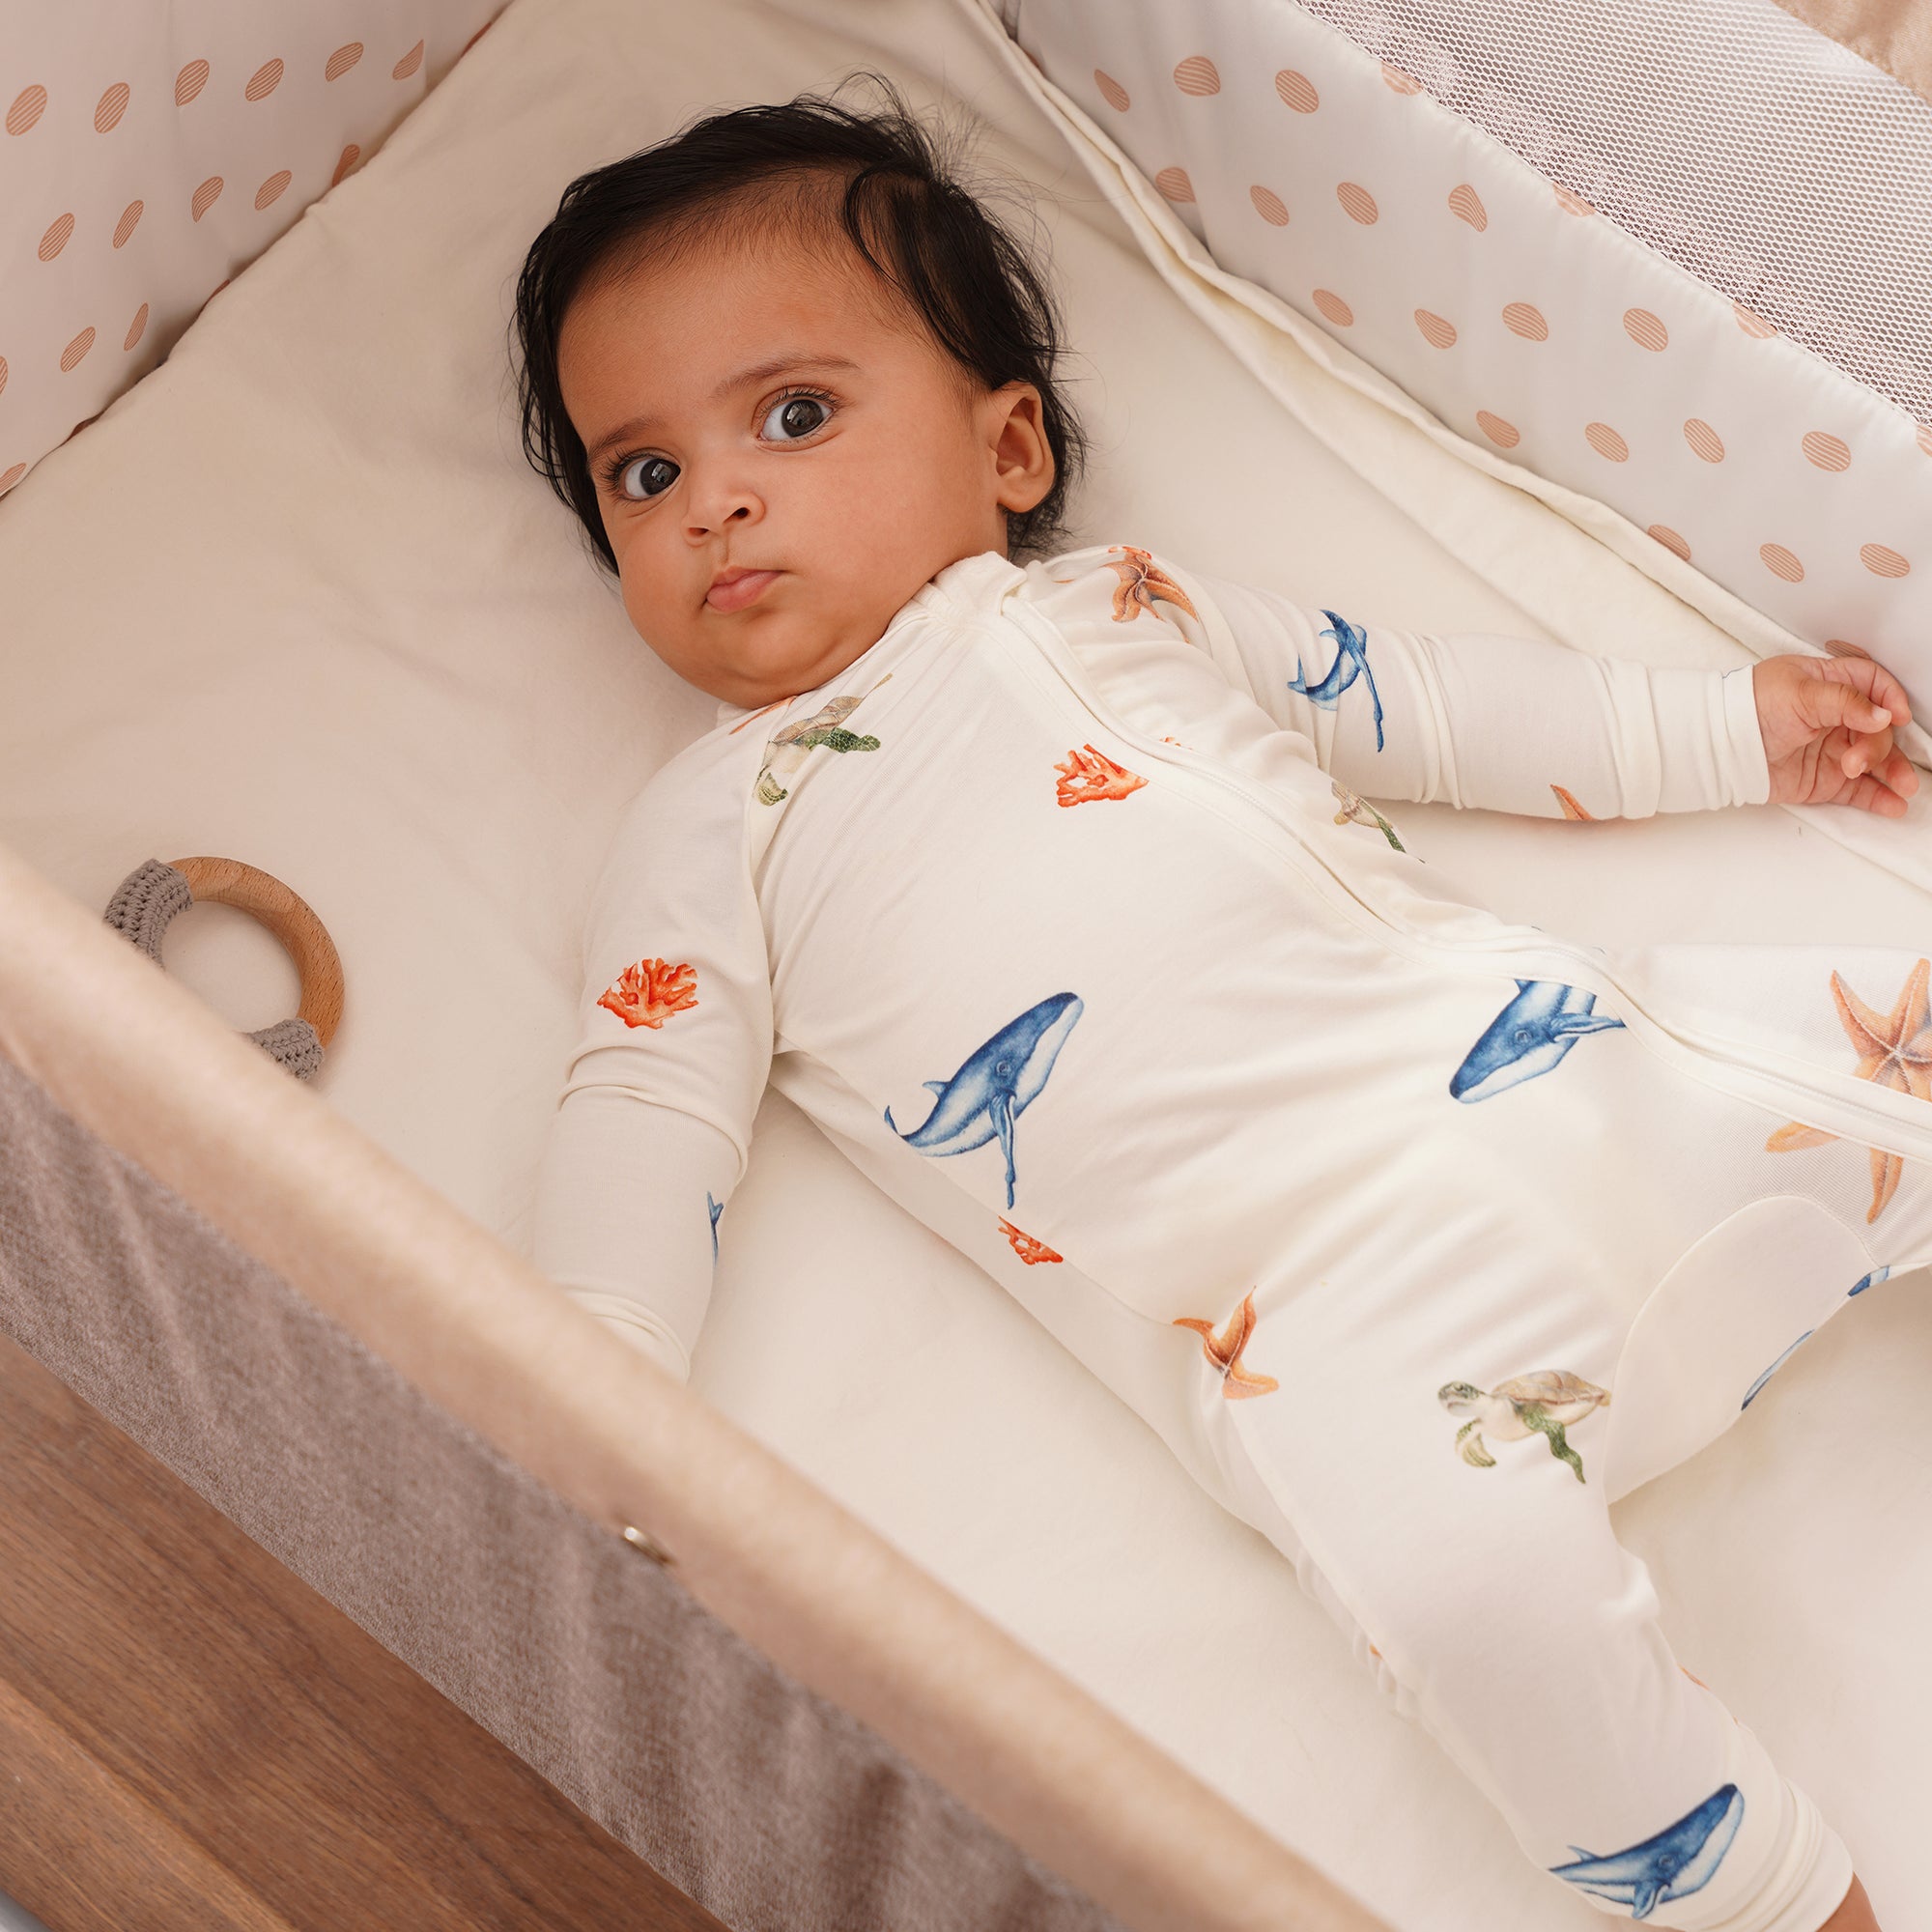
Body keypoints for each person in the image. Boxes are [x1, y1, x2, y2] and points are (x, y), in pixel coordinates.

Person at [512, 80, 1923, 1932]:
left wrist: (1727, 728)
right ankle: (1766, 1895)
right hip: (1330, 1316)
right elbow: (643, 1106)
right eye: (645, 473)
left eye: (793, 413)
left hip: (1594, 1078)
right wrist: (568, 1391)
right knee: (1462, 1603)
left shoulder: (1132, 607)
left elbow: (1433, 706)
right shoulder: (717, 823)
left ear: (1007, 446)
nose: (723, 502)